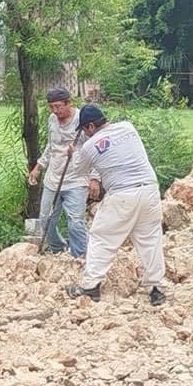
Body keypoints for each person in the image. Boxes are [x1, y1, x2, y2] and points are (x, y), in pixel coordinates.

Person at [65, 105, 166, 306]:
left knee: (102, 237)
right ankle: (156, 289)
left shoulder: (89, 146)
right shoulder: (128, 128)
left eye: (85, 130)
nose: (84, 134)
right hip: (150, 190)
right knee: (150, 239)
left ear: (91, 126)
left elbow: (78, 171)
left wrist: (73, 152)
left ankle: (90, 286)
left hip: (122, 194)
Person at [27, 87, 91, 258]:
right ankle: (58, 249)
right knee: (45, 220)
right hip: (53, 178)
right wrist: (38, 167)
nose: (55, 111)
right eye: (51, 107)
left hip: (76, 179)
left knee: (75, 222)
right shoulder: (52, 120)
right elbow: (51, 147)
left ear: (69, 103)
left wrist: (95, 178)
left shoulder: (81, 119)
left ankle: (81, 256)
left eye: (58, 106)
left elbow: (94, 149)